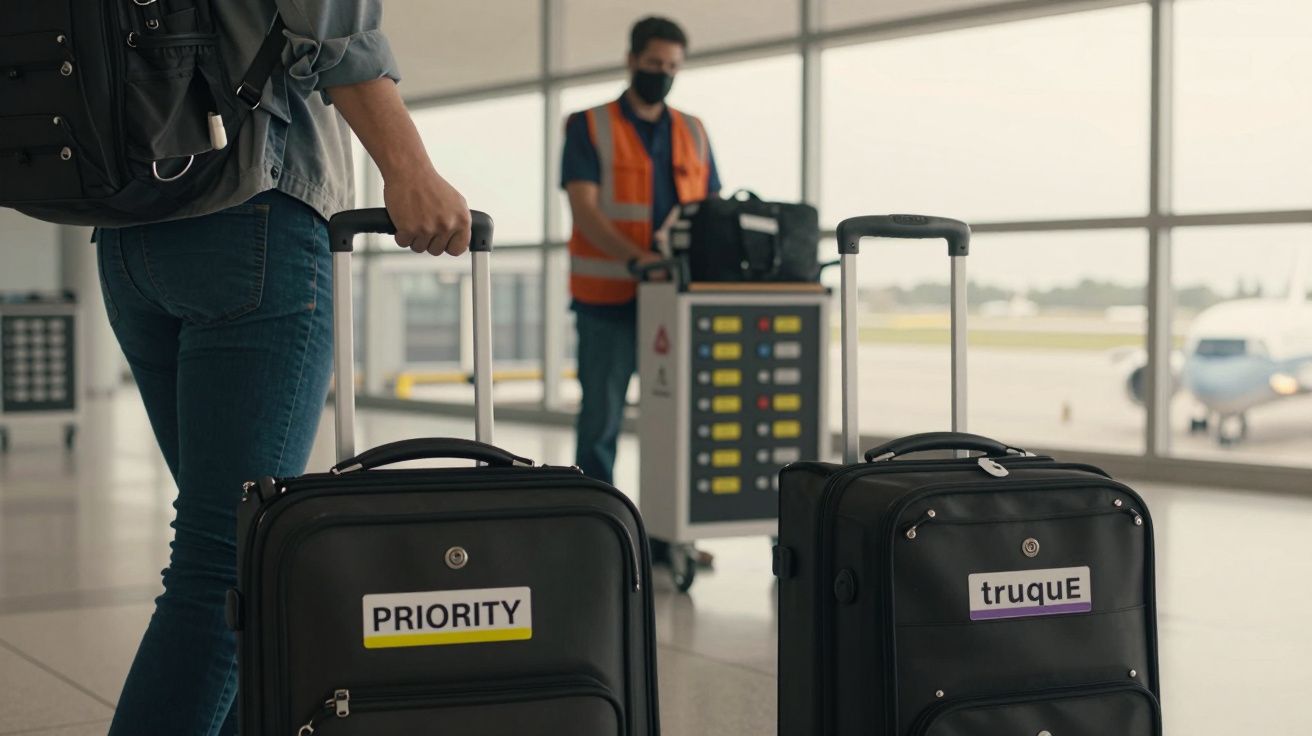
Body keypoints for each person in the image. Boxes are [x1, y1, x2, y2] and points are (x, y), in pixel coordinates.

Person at [94, 3, 469, 734]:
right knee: (230, 565)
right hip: (253, 214)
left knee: (234, 549)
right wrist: (410, 167)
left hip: (128, 236)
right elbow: (327, 27)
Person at [561, 16, 721, 565]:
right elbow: (584, 205)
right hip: (608, 300)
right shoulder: (588, 125)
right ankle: (597, 535)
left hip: (674, 306)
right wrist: (637, 258)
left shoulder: (694, 131)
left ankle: (668, 533)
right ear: (632, 61)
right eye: (655, 65)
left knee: (675, 424)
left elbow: (710, 212)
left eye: (672, 68)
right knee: (601, 421)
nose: (663, 75)